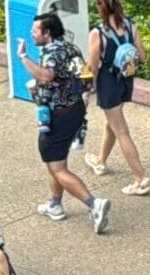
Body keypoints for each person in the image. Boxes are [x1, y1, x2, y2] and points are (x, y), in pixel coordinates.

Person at [17, 12, 110, 234]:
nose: (32, 33)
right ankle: (55, 205)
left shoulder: (52, 53)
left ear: (47, 33)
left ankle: (93, 204)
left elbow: (46, 76)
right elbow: (81, 75)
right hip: (75, 110)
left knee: (56, 168)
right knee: (58, 161)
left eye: (36, 30)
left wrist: (23, 57)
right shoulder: (70, 48)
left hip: (58, 116)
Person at [85, 0, 150, 195]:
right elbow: (142, 56)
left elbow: (94, 66)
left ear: (100, 8)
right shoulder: (130, 26)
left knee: (121, 129)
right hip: (125, 80)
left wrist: (87, 87)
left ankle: (140, 178)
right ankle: (100, 161)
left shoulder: (98, 33)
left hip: (108, 83)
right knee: (112, 122)